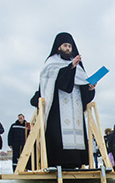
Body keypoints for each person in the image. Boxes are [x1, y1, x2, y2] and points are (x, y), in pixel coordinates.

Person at [30, 32, 96, 169]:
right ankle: (56, 164)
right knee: (58, 138)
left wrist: (89, 89)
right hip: (57, 109)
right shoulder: (51, 63)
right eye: (65, 46)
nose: (68, 49)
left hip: (75, 111)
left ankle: (77, 163)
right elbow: (60, 83)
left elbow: (85, 97)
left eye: (70, 46)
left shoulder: (78, 68)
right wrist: (70, 67)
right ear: (58, 47)